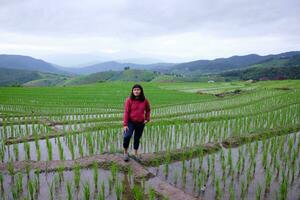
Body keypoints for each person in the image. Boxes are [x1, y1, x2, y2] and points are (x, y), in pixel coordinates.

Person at [123, 84, 151, 162]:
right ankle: (125, 152)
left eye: (138, 90)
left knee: (137, 138)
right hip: (130, 122)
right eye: (135, 90)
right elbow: (126, 112)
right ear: (132, 91)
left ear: (141, 91)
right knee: (127, 136)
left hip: (140, 123)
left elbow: (148, 110)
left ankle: (135, 153)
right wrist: (125, 124)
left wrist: (147, 119)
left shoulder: (145, 100)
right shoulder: (129, 100)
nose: (136, 91)